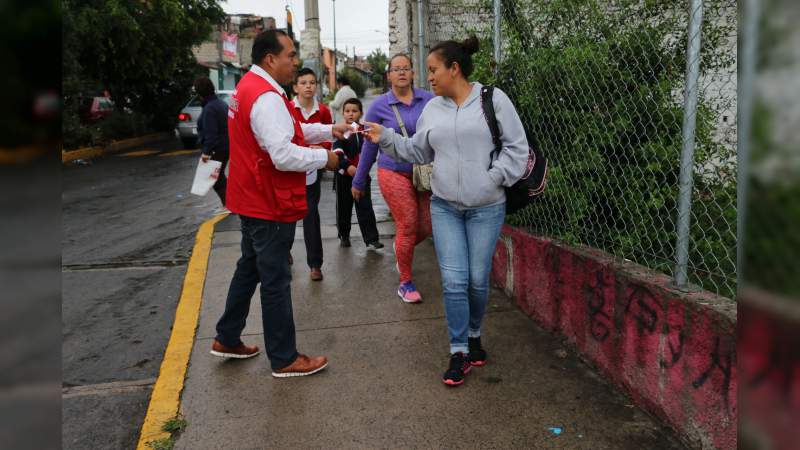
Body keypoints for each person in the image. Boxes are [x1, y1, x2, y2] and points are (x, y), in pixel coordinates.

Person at [363, 37, 529, 386]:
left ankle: (473, 334)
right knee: (454, 281)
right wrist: (386, 137)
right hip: (444, 207)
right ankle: (459, 352)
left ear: (455, 69)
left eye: (434, 70)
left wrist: (492, 179)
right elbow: (417, 150)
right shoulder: (433, 108)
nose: (430, 78)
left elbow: (517, 148)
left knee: (476, 279)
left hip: (487, 207)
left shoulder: (492, 100)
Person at [211, 29, 350, 378]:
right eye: (290, 55)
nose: (295, 62)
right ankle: (284, 357)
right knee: (275, 277)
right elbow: (283, 153)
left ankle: (227, 336)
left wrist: (329, 130)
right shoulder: (267, 97)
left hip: (252, 198)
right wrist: (326, 160)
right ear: (270, 59)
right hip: (268, 201)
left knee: (251, 267)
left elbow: (285, 132)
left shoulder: (251, 88)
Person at [352, 54, 434, 303]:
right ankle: (405, 283)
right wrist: (359, 178)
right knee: (408, 224)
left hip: (423, 172)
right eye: (396, 69)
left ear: (412, 73)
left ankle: (402, 252)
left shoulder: (429, 100)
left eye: (406, 68)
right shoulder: (379, 106)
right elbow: (369, 145)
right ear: (388, 75)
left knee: (427, 225)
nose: (401, 72)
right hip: (392, 172)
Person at [290, 67, 332, 281]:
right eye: (303, 82)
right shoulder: (287, 109)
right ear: (295, 86)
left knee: (310, 213)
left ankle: (315, 264)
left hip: (312, 170)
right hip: (289, 169)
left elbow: (329, 137)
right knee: (287, 214)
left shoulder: (323, 111)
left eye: (312, 82)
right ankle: (284, 250)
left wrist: (321, 149)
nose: (308, 86)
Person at [332, 98, 383, 250]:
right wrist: (347, 167)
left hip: (361, 177)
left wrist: (361, 169)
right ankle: (344, 235)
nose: (351, 114)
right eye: (347, 111)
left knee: (365, 207)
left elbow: (370, 152)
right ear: (343, 113)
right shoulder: (341, 132)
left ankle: (371, 238)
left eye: (354, 111)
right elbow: (337, 152)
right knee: (344, 208)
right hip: (343, 177)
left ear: (361, 113)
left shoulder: (364, 131)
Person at [194, 76, 229, 208]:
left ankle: (229, 204)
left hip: (217, 148)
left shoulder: (209, 108)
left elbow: (211, 134)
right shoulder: (220, 104)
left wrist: (206, 152)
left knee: (215, 178)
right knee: (217, 177)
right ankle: (229, 204)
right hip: (225, 146)